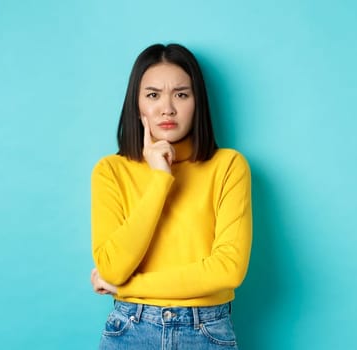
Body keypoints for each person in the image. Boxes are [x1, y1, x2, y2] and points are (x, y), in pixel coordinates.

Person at [89, 43, 252, 349]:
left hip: (206, 331)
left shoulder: (228, 166)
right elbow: (112, 268)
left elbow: (228, 270)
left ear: (197, 102)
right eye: (153, 95)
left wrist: (131, 286)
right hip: (131, 329)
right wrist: (160, 179)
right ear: (137, 105)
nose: (167, 108)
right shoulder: (110, 171)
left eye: (181, 94)